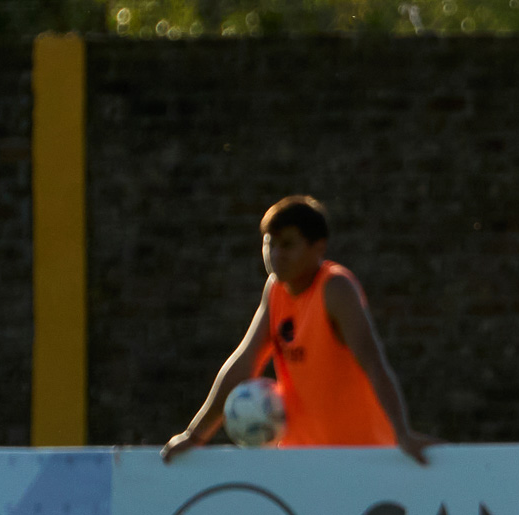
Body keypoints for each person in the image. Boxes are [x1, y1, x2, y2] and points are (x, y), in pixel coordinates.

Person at [162, 195, 434, 464]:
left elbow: (374, 363)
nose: (276, 255)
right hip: (299, 462)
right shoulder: (276, 290)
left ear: (318, 247)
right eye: (270, 244)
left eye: (288, 245)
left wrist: (402, 433)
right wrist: (194, 435)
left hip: (360, 458)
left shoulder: (336, 288)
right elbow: (244, 363)